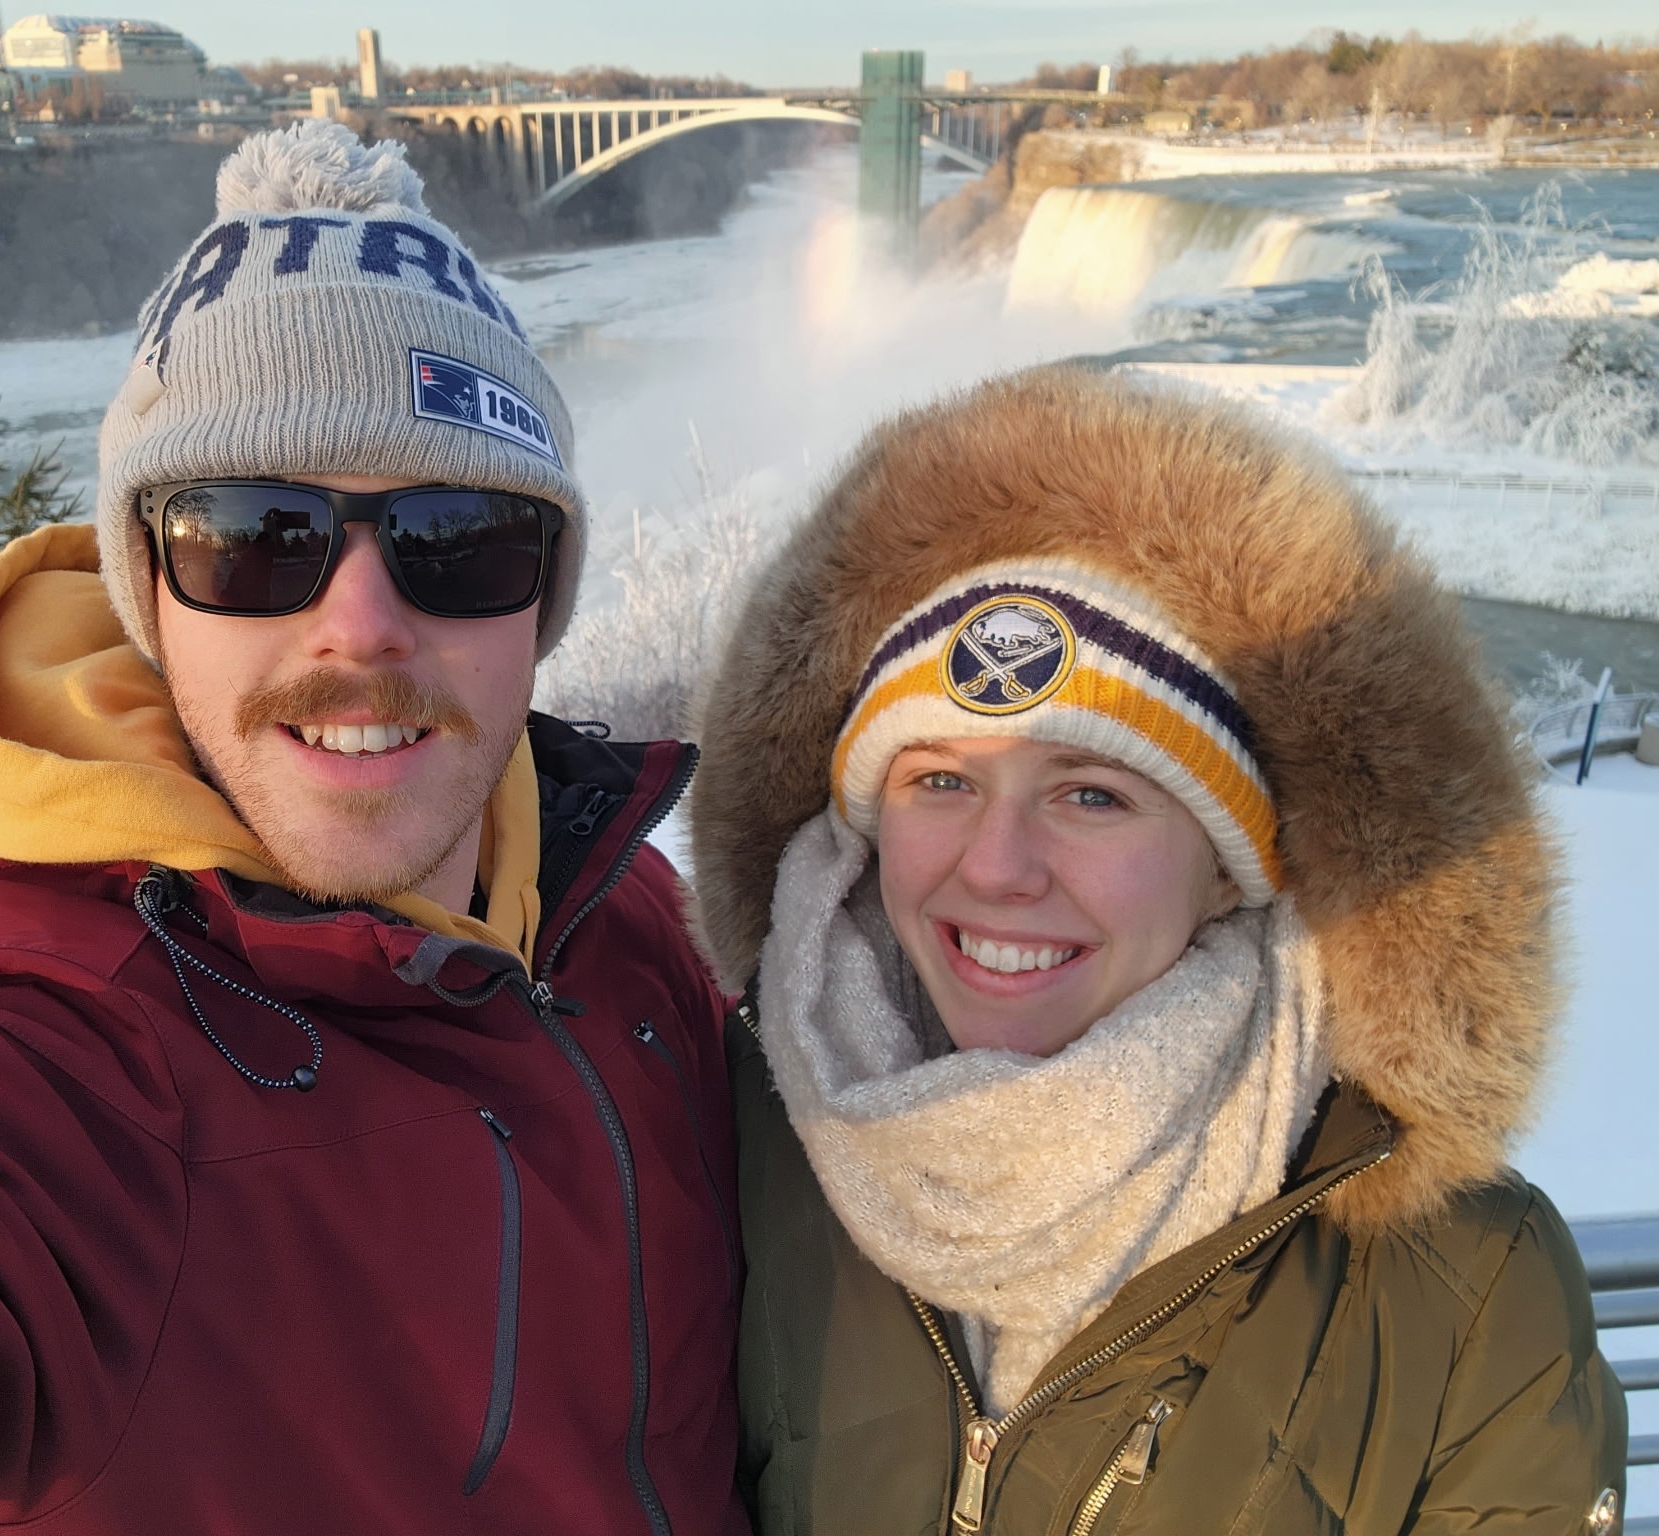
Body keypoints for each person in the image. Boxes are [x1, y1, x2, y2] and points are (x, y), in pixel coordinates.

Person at [0, 123, 745, 1536]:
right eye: (256, 537)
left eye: (460, 539)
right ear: (145, 585)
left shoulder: (619, 915)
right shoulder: (54, 1064)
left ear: (543, 597)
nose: (361, 626)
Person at [690, 366, 1627, 1535]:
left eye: (1090, 794)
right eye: (938, 780)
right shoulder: (732, 1142)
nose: (995, 867)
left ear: (1227, 870)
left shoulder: (1466, 1295)